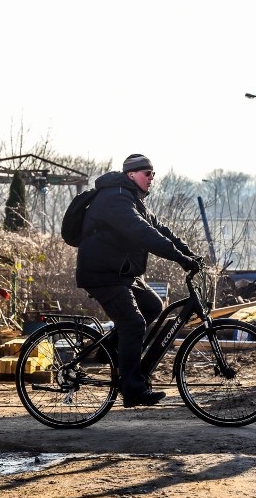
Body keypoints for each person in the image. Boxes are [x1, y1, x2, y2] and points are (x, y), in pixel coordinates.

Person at [76, 154, 202, 407]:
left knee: (153, 306)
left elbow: (159, 229)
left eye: (154, 174)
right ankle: (132, 389)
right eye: (148, 173)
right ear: (131, 174)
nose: (152, 178)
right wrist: (178, 258)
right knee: (133, 323)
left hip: (120, 274)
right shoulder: (115, 198)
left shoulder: (133, 199)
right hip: (102, 274)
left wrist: (188, 253)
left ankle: (109, 353)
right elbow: (143, 233)